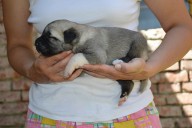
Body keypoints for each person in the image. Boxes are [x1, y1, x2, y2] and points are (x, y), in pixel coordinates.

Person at [2, 0, 192, 127]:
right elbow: (17, 44)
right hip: (51, 116)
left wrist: (147, 69)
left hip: (130, 114)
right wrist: (32, 70)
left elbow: (183, 27)